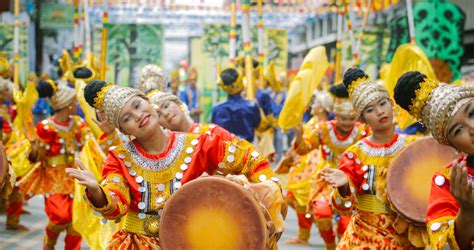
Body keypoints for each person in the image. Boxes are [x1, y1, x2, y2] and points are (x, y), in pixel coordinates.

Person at [65, 80, 283, 249]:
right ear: (124, 130)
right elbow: (116, 205)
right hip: (140, 245)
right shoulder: (119, 159)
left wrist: (266, 190)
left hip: (193, 241)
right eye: (127, 118)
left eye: (137, 105)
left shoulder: (199, 143)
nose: (138, 115)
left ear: (149, 102)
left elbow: (249, 160)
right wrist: (96, 190)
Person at [321, 68, 423, 249]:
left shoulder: (414, 146)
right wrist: (344, 187)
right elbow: (342, 209)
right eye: (370, 109)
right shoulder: (355, 154)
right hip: (363, 237)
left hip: (406, 236)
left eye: (382, 104)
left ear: (392, 104)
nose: (380, 112)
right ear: (362, 118)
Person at [394, 71, 474, 249]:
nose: (472, 128)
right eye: (458, 130)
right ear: (454, 146)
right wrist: (468, 213)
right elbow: (443, 245)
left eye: (472, 113)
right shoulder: (448, 182)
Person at [292, 83, 370, 249]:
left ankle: (343, 245)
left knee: (346, 221)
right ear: (336, 116)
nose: (347, 123)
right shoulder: (323, 129)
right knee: (321, 212)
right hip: (327, 180)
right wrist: (298, 133)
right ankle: (329, 246)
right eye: (343, 119)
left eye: (351, 119)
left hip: (352, 181)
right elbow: (303, 149)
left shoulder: (363, 131)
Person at [21, 79, 86, 249]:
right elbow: (36, 157)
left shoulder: (78, 123)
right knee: (59, 216)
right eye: (74, 102)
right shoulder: (46, 127)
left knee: (76, 220)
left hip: (75, 177)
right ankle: (49, 243)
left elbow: (88, 144)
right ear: (66, 105)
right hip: (53, 177)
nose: (76, 105)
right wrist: (34, 148)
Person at [280, 89, 334, 245]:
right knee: (292, 197)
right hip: (302, 163)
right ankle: (305, 231)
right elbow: (301, 142)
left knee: (302, 198)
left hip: (315, 165)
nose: (313, 104)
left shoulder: (325, 126)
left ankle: (305, 235)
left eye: (316, 102)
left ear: (322, 108)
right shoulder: (311, 122)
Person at [139, 64, 232, 138]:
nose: (166, 113)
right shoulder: (163, 149)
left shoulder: (212, 133)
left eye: (166, 106)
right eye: (158, 114)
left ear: (179, 104)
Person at [212, 68, 263, 142]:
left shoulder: (217, 109)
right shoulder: (251, 107)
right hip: (246, 151)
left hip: (225, 151)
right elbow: (260, 126)